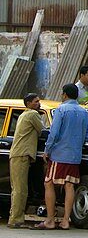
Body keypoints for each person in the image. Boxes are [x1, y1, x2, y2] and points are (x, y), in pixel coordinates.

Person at [40, 83, 88, 229]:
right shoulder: (84, 112)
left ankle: (50, 220)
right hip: (75, 155)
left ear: (64, 95)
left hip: (59, 154)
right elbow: (87, 136)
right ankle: (65, 220)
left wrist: (47, 150)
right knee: (70, 185)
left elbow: (54, 133)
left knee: (48, 182)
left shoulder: (61, 110)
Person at [7, 93, 44, 229]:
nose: (38, 104)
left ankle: (14, 217)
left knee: (17, 188)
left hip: (17, 154)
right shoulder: (32, 115)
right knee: (20, 189)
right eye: (36, 102)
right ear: (28, 103)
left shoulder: (24, 114)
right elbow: (43, 131)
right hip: (22, 154)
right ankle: (16, 219)